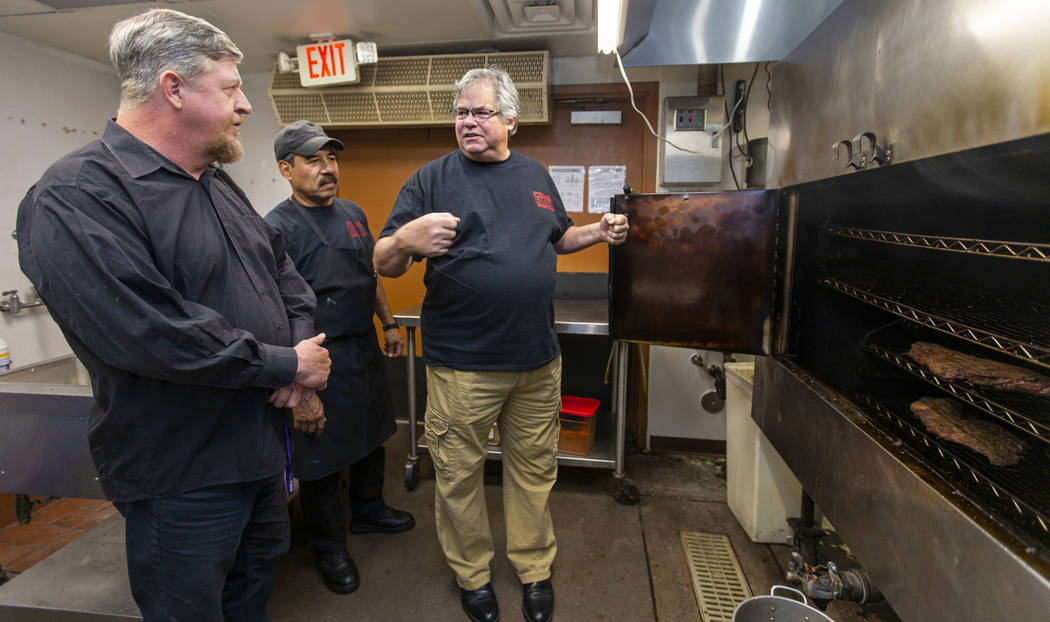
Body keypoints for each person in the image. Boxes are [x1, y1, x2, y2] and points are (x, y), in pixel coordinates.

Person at [15, 9, 331, 622]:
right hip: (182, 474)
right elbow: (146, 331)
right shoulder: (78, 195)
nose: (244, 105)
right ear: (174, 88)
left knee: (252, 591)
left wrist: (295, 363)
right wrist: (282, 362)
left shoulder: (215, 183)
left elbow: (284, 275)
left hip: (258, 451)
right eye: (231, 87)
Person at [374, 67, 630, 622]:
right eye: (461, 112)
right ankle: (472, 575)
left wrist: (598, 230)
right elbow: (384, 263)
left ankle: (534, 567)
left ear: (510, 120)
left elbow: (557, 236)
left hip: (536, 360)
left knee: (534, 470)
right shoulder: (430, 179)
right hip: (463, 365)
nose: (468, 121)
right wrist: (403, 239)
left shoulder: (534, 174)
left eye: (481, 112)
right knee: (459, 475)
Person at [264, 120, 415, 595]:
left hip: (363, 347)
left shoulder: (351, 212)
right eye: (314, 160)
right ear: (287, 169)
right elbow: (276, 310)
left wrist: (388, 324)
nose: (328, 168)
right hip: (319, 357)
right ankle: (327, 545)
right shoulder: (275, 227)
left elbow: (371, 275)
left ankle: (369, 511)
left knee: (373, 435)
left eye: (332, 158)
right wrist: (301, 386)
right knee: (322, 454)